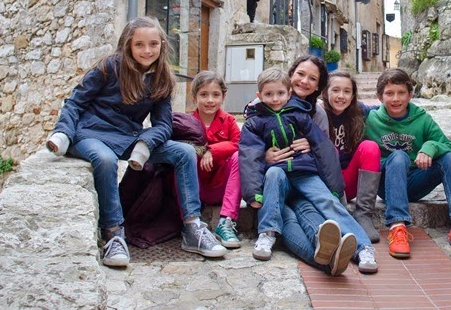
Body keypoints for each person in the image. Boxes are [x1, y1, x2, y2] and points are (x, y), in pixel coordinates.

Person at [46, 16, 227, 267]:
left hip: (128, 137)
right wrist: (63, 133)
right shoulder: (108, 67)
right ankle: (113, 233)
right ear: (128, 45)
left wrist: (145, 143)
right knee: (105, 160)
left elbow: (163, 125)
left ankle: (192, 227)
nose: (147, 50)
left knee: (184, 152)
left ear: (162, 45)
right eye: (139, 44)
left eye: (153, 44)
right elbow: (75, 102)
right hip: (89, 133)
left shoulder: (162, 78)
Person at [239, 67, 376, 275]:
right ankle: (267, 234)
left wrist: (334, 187)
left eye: (280, 93)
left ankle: (363, 248)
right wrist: (253, 193)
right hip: (278, 179)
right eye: (269, 94)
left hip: (304, 173)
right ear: (260, 95)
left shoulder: (300, 114)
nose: (275, 99)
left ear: (288, 93)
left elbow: (323, 147)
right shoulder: (254, 121)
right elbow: (249, 156)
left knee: (326, 202)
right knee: (277, 182)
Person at [365, 68, 451, 259]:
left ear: (410, 94)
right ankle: (397, 225)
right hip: (387, 183)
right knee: (399, 156)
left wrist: (429, 147)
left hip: (416, 182)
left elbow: (447, 145)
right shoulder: (371, 120)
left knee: (448, 157)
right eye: (389, 93)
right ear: (380, 97)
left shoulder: (422, 119)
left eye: (401, 92)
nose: (396, 98)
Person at [321, 71, 381, 242]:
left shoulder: (359, 111)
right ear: (325, 92)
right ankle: (337, 215)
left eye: (347, 91)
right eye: (335, 90)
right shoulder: (317, 113)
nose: (341, 96)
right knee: (329, 148)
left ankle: (363, 216)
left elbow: (385, 110)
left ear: (353, 95)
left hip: (349, 182)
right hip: (324, 184)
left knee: (370, 147)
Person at [191, 71, 242, 249]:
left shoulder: (228, 121)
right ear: (194, 97)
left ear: (223, 97)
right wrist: (202, 151)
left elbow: (239, 143)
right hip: (196, 188)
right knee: (184, 155)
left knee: (239, 157)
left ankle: (226, 221)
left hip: (222, 187)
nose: (210, 100)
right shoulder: (188, 122)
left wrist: (213, 150)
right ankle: (190, 220)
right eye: (204, 95)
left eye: (215, 95)